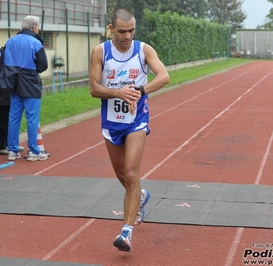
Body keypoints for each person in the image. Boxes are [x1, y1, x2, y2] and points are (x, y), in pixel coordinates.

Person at [89, 8, 170, 252]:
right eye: (122, 31)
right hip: (111, 122)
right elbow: (93, 88)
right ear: (111, 29)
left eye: (132, 30)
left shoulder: (143, 50)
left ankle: (126, 232)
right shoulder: (100, 52)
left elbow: (164, 76)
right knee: (123, 176)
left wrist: (140, 91)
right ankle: (141, 196)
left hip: (137, 119)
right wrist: (117, 92)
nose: (128, 36)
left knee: (132, 174)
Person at [0, 15, 48, 162]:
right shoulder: (35, 42)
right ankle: (33, 150)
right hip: (30, 83)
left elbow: (1, 61)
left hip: (13, 83)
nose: (39, 29)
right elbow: (43, 65)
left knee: (14, 117)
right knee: (32, 118)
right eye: (38, 26)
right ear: (34, 27)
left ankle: (12, 151)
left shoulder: (10, 41)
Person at [0, 48, 24, 155]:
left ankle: (8, 143)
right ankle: (1, 144)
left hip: (1, 87)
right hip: (4, 88)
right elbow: (6, 73)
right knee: (4, 116)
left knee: (6, 115)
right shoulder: (3, 57)